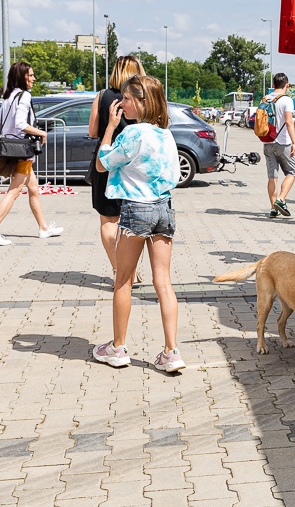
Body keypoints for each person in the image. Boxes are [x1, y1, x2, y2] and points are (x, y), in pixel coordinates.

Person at [92, 75, 185, 372]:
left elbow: (101, 164)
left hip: (135, 208)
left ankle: (118, 348)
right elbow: (173, 175)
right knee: (164, 282)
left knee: (123, 279)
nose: (121, 104)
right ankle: (171, 351)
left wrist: (109, 127)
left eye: (127, 99)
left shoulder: (132, 133)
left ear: (143, 101)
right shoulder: (166, 134)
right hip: (163, 207)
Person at [0, 62, 63, 246]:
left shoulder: (9, 96)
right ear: (21, 77)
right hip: (23, 151)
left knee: (33, 189)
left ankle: (43, 228)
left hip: (11, 149)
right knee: (14, 191)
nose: (33, 78)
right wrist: (42, 133)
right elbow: (20, 124)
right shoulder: (24, 96)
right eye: (30, 75)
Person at [88, 56, 145, 280]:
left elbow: (93, 131)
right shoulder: (141, 96)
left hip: (106, 160)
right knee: (130, 220)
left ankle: (119, 270)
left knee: (108, 220)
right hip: (134, 163)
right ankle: (129, 268)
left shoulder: (102, 95)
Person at [262, 73, 295, 218]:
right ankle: (281, 199)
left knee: (272, 176)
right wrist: (294, 141)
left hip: (267, 141)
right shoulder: (286, 100)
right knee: (292, 172)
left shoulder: (265, 98)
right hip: (283, 142)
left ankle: (273, 208)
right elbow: (289, 122)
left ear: (273, 85)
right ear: (287, 85)